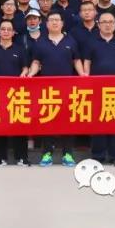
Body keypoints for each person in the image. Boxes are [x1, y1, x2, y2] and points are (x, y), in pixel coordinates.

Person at [28, 12, 86, 167]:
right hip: (47, 90)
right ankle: (47, 153)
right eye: (51, 20)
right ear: (46, 24)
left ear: (62, 23)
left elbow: (76, 60)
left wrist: (82, 74)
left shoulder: (71, 41)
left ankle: (68, 154)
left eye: (57, 20)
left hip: (67, 89)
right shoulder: (40, 42)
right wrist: (31, 74)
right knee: (48, 120)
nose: (54, 23)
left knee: (68, 121)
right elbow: (36, 62)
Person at [83, 12, 115, 166]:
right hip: (96, 88)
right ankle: (98, 156)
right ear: (98, 24)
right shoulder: (91, 42)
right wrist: (86, 77)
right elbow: (87, 62)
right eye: (104, 22)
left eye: (111, 22)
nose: (108, 25)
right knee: (98, 122)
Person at [0, 19, 29, 166]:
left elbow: (25, 68)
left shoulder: (20, 49)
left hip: (16, 93)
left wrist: (24, 74)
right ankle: (0, 158)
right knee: (0, 125)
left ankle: (22, 157)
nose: (5, 32)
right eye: (3, 29)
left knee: (19, 124)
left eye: (9, 29)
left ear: (13, 32)